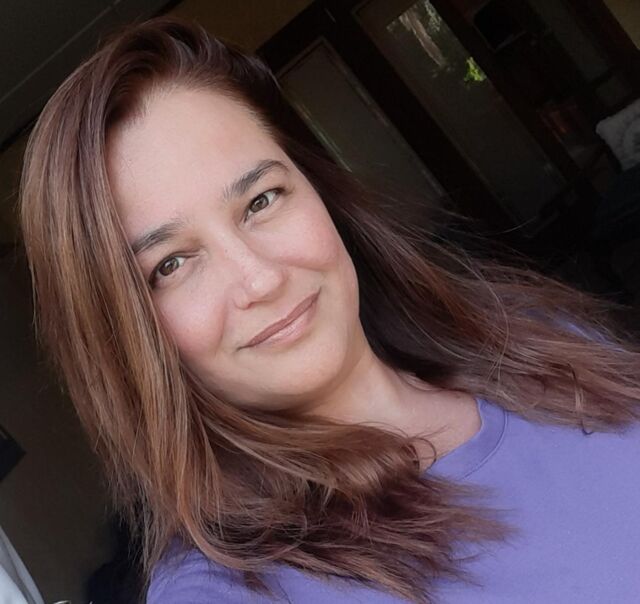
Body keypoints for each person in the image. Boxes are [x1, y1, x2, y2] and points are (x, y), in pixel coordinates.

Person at [18, 16, 640, 604]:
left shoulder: (536, 341)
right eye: (172, 264)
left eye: (261, 201)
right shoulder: (235, 588)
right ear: (123, 338)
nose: (260, 278)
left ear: (317, 187)